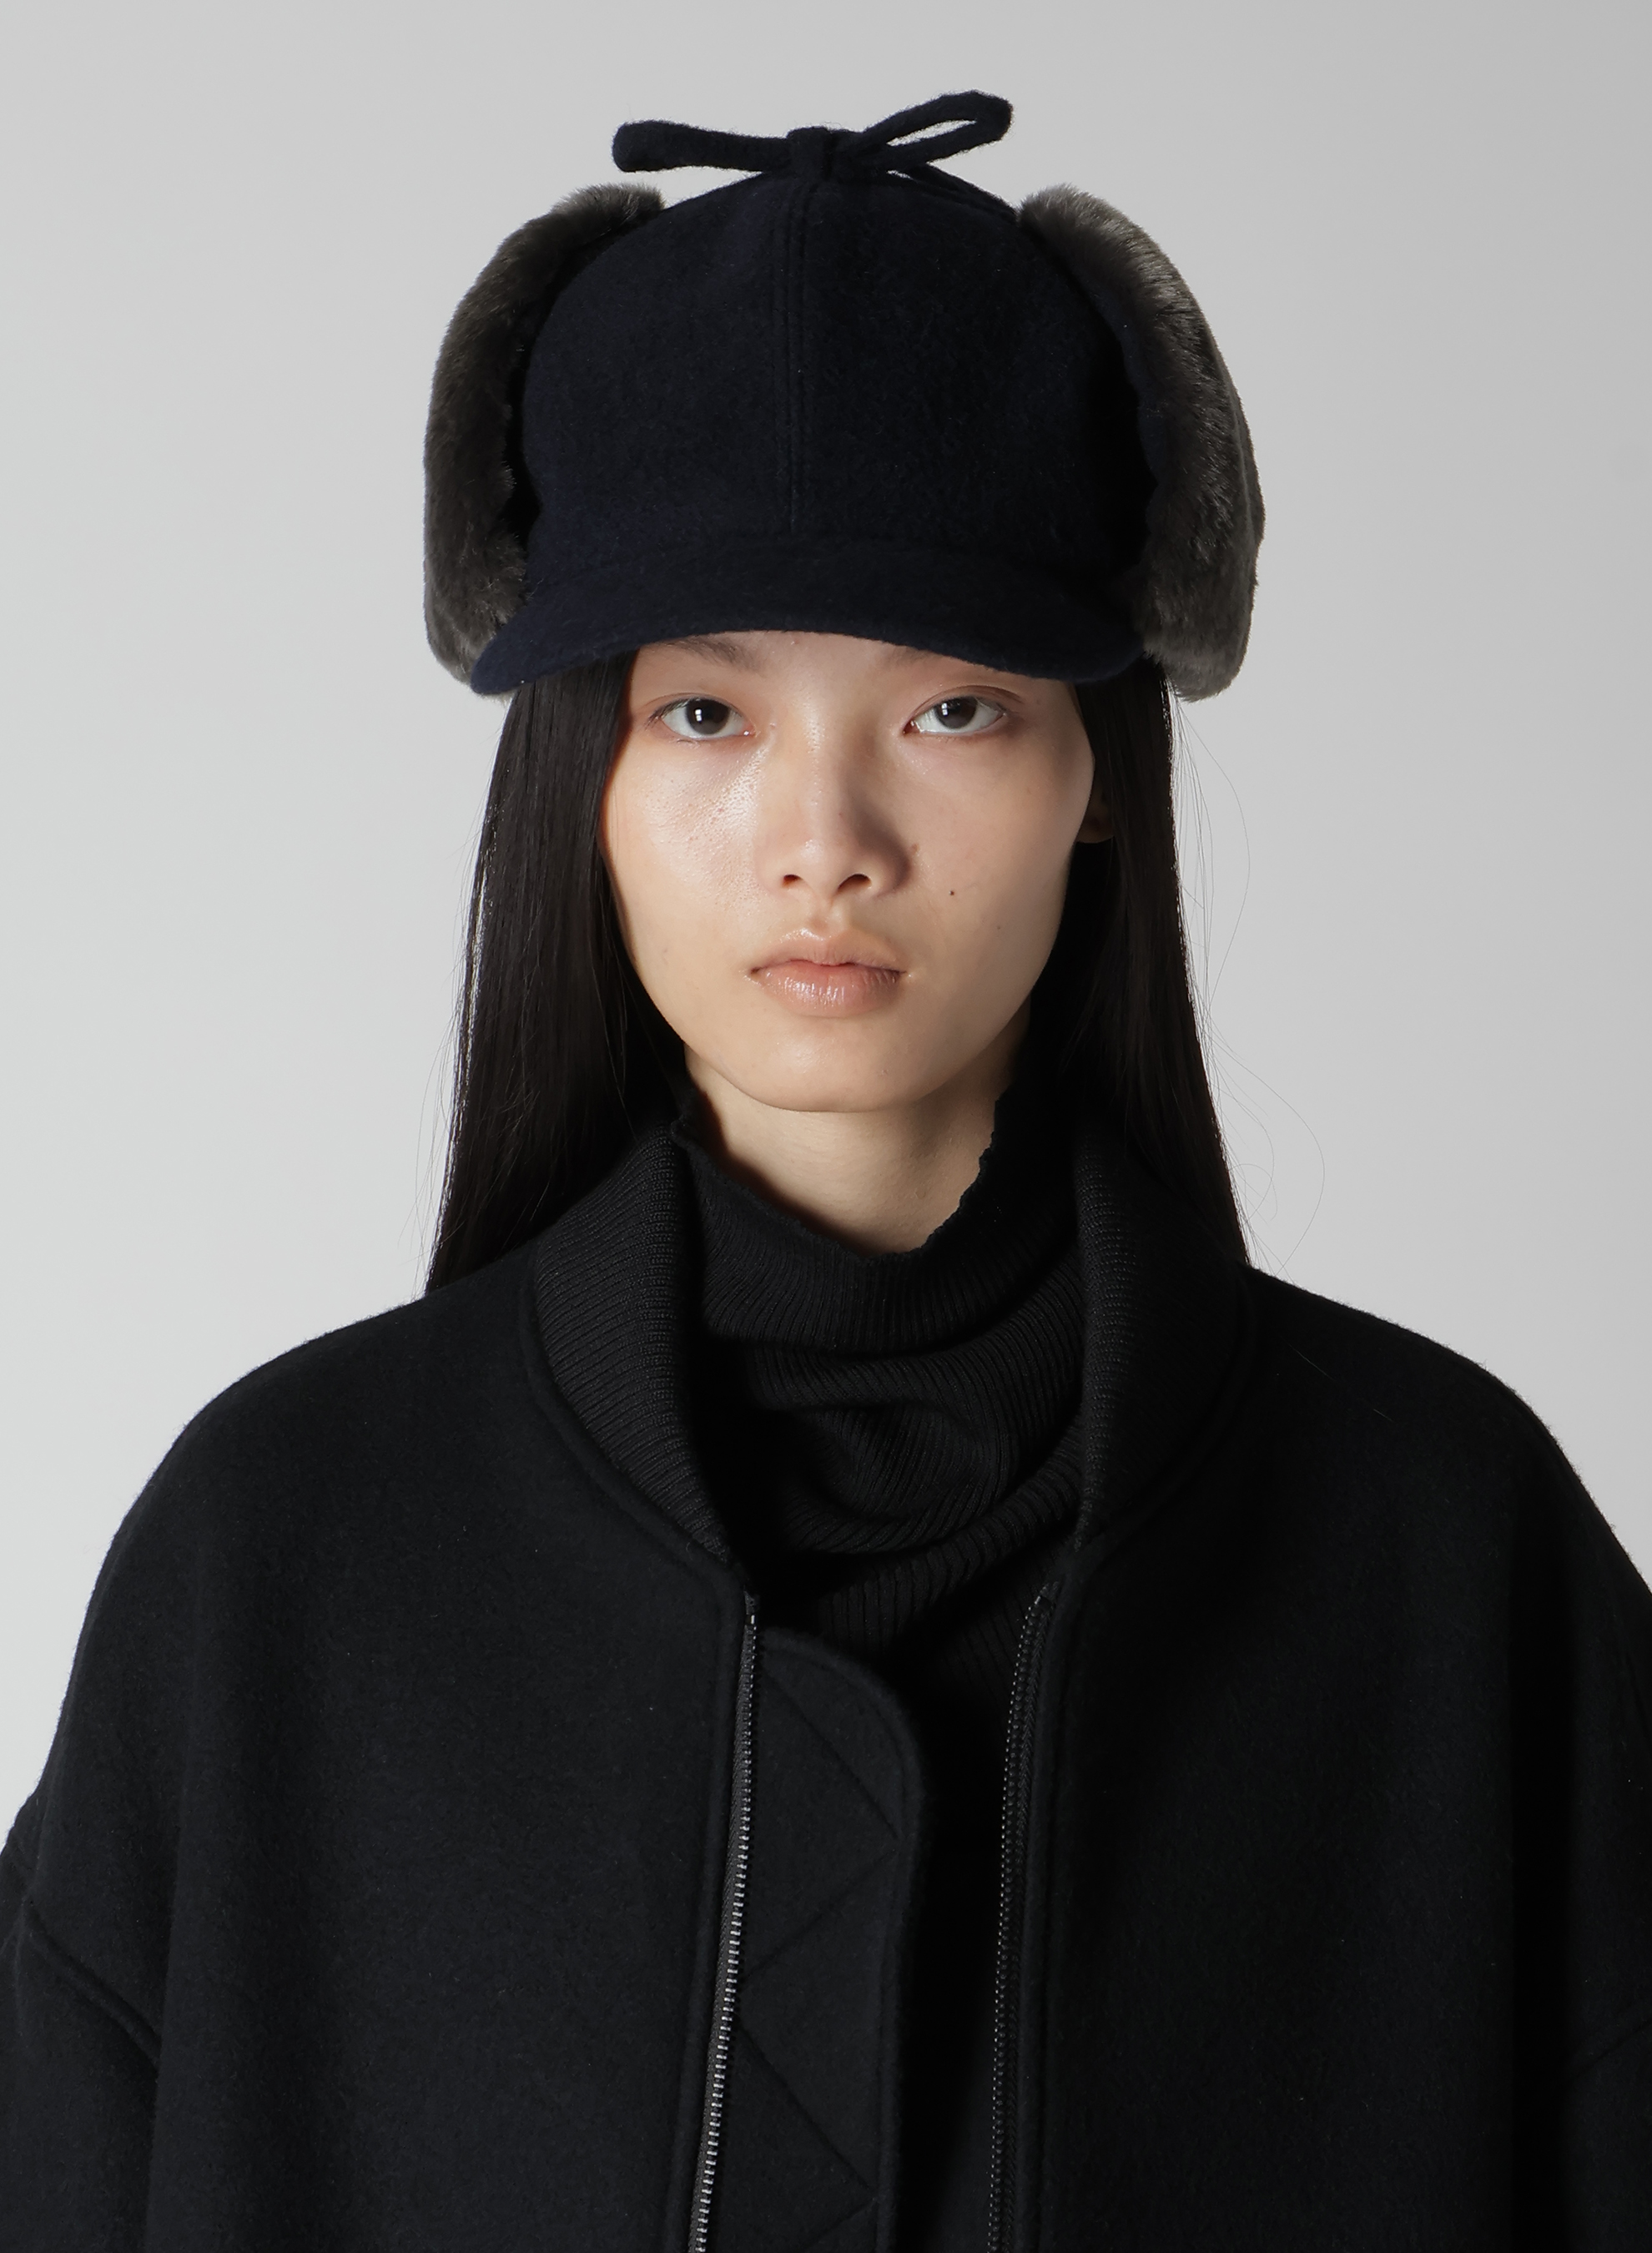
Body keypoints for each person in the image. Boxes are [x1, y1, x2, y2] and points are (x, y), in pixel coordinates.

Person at [3, 89, 1648, 2252]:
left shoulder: (1440, 1544)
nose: (825, 840)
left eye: (953, 709)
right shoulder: (283, 1553)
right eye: (706, 714)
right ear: (581, 780)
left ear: (1097, 776)